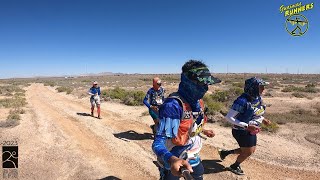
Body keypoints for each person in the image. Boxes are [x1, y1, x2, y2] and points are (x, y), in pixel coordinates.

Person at [152, 60, 221, 180]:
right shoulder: (173, 106)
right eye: (201, 84)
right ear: (188, 82)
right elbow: (158, 143)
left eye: (206, 84)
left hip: (192, 155)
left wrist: (203, 130)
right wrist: (172, 159)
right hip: (174, 159)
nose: (206, 88)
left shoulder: (198, 102)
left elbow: (188, 125)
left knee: (198, 174)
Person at [219, 77, 272, 175]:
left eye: (263, 86)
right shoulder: (242, 101)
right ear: (253, 87)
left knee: (250, 150)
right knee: (248, 152)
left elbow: (255, 113)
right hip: (241, 131)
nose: (263, 89)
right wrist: (246, 126)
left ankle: (225, 153)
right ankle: (234, 166)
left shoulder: (257, 98)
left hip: (251, 129)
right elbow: (229, 117)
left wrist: (263, 119)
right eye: (261, 87)